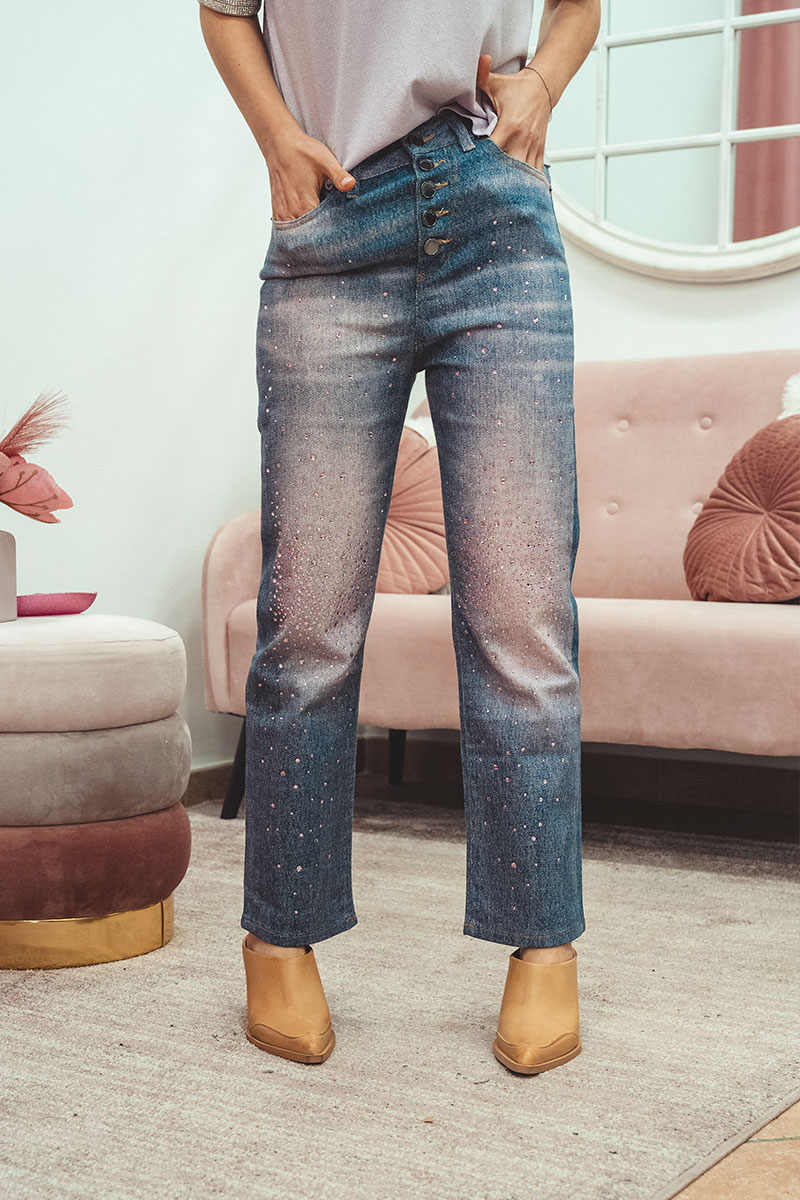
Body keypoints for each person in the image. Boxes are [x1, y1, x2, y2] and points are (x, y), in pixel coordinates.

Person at [198, 0, 601, 1074]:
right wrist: (278, 139)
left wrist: (542, 86)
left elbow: (578, 6)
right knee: (307, 626)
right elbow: (223, 11)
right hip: (334, 217)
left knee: (522, 620)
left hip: (497, 219)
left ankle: (543, 943)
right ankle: (279, 936)